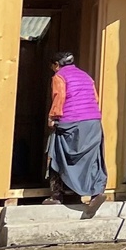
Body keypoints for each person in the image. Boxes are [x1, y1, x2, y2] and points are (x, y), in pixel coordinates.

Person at [47, 52, 107, 207]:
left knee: (56, 153)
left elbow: (59, 97)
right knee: (93, 158)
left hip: (71, 121)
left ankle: (57, 195)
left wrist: (53, 117)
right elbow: (95, 98)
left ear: (56, 65)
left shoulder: (59, 76)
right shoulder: (86, 76)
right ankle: (97, 193)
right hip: (93, 121)